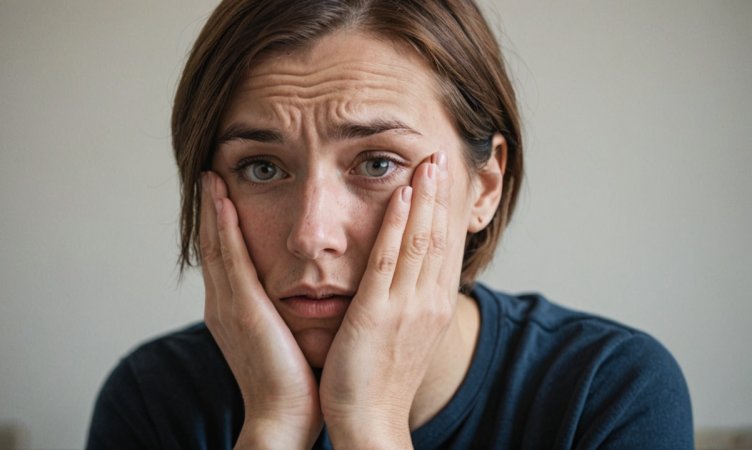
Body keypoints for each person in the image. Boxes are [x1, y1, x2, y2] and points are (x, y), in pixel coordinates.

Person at [86, 0, 694, 448]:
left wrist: (369, 421)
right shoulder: (152, 401)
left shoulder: (608, 391)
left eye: (377, 163)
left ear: (483, 185)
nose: (311, 234)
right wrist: (271, 424)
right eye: (263, 167)